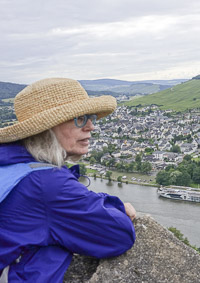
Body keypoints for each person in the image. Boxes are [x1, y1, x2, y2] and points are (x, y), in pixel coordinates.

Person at [0, 78, 136, 282]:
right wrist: (114, 205)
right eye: (79, 118)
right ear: (47, 128)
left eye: (91, 117)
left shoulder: (9, 162)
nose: (91, 126)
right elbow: (119, 235)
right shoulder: (48, 184)